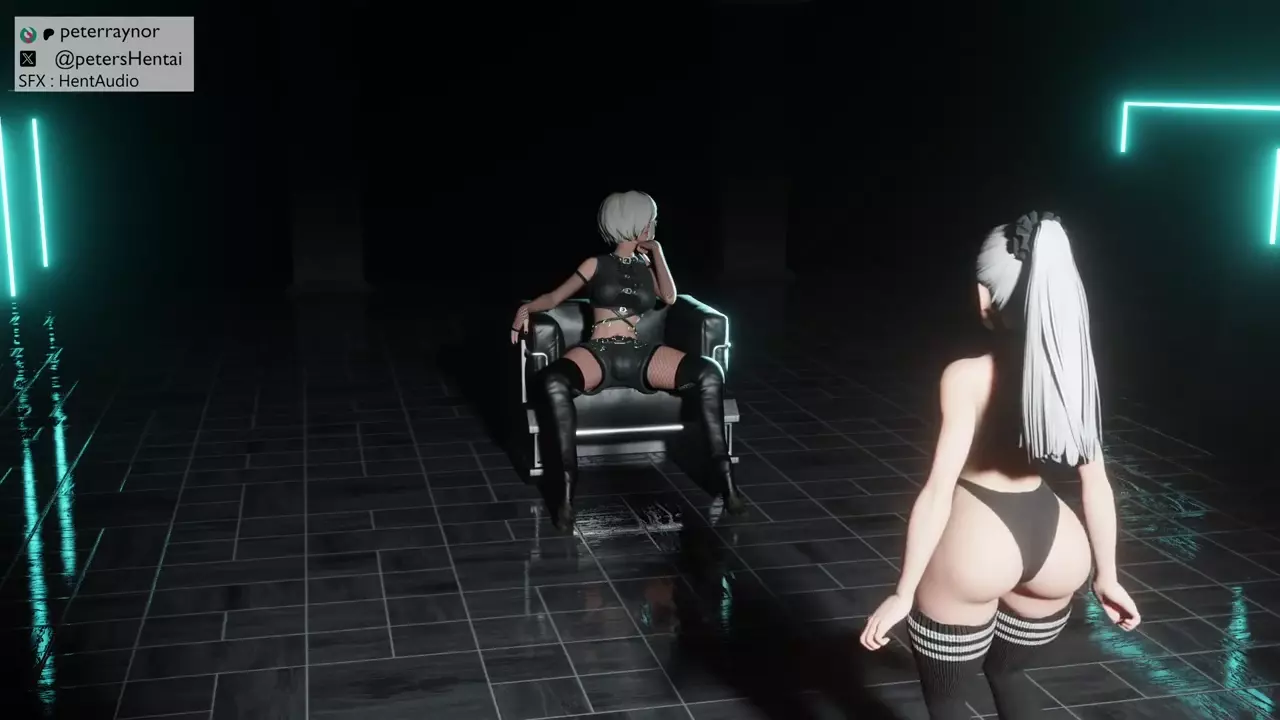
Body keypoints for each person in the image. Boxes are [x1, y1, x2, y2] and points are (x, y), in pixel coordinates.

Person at [858, 213, 1142, 719]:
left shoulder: (966, 376)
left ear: (984, 298)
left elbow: (938, 489)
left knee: (948, 698)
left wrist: (904, 592)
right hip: (1060, 548)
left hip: (979, 540)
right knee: (1010, 674)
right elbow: (1095, 483)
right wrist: (1108, 576)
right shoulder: (1076, 376)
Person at [510, 191, 744, 528]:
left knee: (710, 373)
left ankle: (728, 484)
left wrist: (657, 252)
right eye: (651, 219)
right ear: (635, 222)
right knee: (554, 380)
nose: (654, 224)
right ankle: (565, 497)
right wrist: (526, 309)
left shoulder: (646, 266)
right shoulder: (595, 263)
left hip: (639, 353)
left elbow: (670, 297)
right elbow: (555, 296)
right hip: (599, 352)